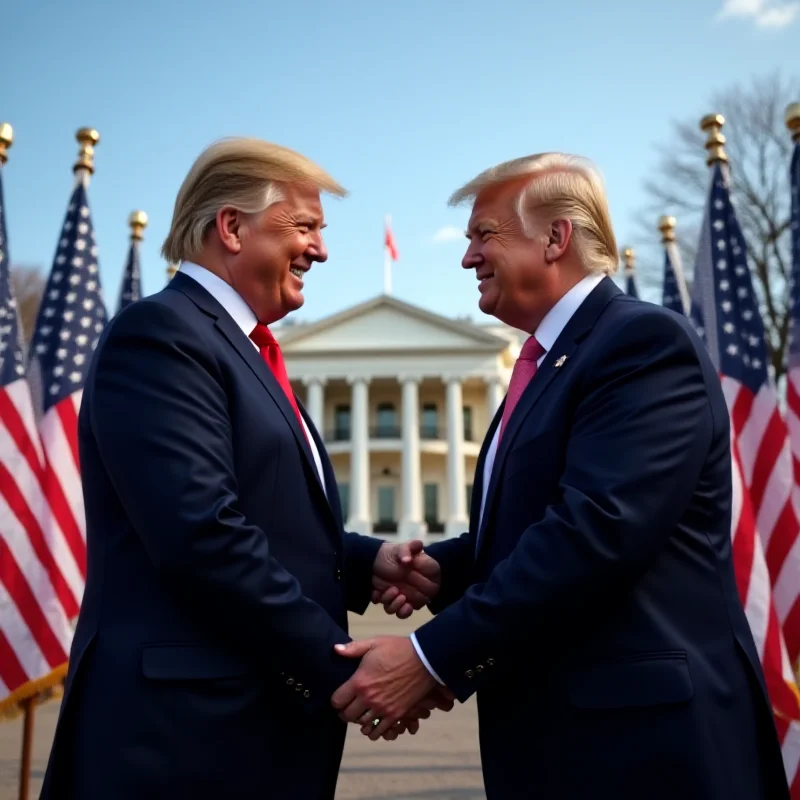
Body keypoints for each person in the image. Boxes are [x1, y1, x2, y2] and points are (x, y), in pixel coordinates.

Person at [333, 152, 790, 799]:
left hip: (648, 750)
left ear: (556, 237)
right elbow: (537, 522)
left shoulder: (639, 344)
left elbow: (595, 533)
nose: (467, 258)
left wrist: (429, 657)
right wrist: (444, 570)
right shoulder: (548, 363)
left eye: (483, 235)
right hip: (566, 742)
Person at [40, 138, 441, 800]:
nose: (321, 249)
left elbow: (263, 515)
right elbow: (203, 538)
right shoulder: (163, 336)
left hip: (241, 730)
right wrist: (342, 669)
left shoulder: (244, 350)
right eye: (305, 227)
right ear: (231, 227)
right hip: (177, 740)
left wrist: (366, 563)